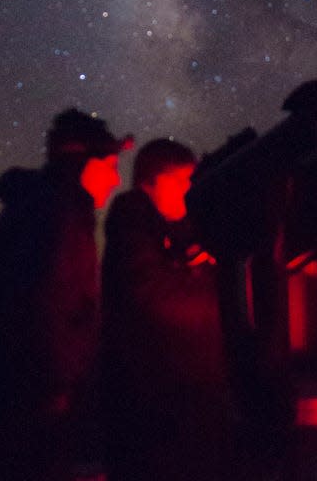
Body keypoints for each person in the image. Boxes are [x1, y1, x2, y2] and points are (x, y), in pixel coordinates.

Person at [0, 108, 130, 481]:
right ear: (85, 164)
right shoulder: (58, 213)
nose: (117, 179)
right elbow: (46, 306)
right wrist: (61, 388)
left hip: (13, 399)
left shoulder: (39, 205)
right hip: (31, 406)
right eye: (110, 165)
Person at [101, 138, 240, 481]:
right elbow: (152, 297)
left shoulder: (171, 232)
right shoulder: (130, 218)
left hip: (184, 405)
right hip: (154, 413)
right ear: (152, 181)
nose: (188, 192)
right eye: (180, 182)